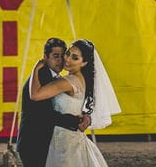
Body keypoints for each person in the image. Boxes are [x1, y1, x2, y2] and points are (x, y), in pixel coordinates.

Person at [30, 39, 120, 167]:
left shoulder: (67, 82)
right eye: (68, 53)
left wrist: (36, 68)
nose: (67, 59)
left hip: (64, 140)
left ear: (84, 63)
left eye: (75, 57)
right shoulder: (81, 79)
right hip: (71, 137)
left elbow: (35, 95)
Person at [16, 38, 91, 167]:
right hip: (34, 142)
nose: (61, 60)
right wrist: (76, 121)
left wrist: (85, 117)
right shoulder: (41, 77)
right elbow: (44, 115)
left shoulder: (60, 79)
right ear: (45, 57)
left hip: (49, 141)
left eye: (63, 55)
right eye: (56, 56)